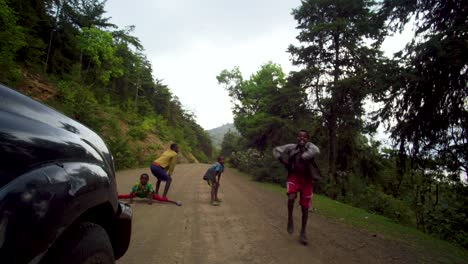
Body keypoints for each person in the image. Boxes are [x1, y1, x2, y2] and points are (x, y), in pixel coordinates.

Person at [273, 130, 321, 245]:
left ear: (307, 138)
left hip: (307, 181)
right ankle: (290, 218)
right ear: (296, 137)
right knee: (291, 198)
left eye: (304, 137)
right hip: (294, 177)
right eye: (299, 136)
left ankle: (303, 232)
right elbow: (277, 150)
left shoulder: (310, 146)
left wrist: (304, 156)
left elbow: (316, 150)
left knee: (305, 208)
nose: (301, 138)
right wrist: (281, 159)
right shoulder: (292, 147)